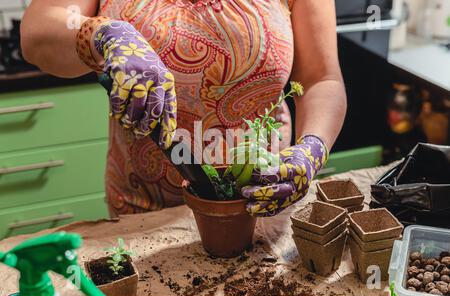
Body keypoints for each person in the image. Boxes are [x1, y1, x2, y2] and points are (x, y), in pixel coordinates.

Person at [21, 0, 346, 217]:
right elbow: (38, 31)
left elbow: (321, 78)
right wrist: (107, 34)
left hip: (261, 201)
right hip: (143, 210)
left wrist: (312, 149)